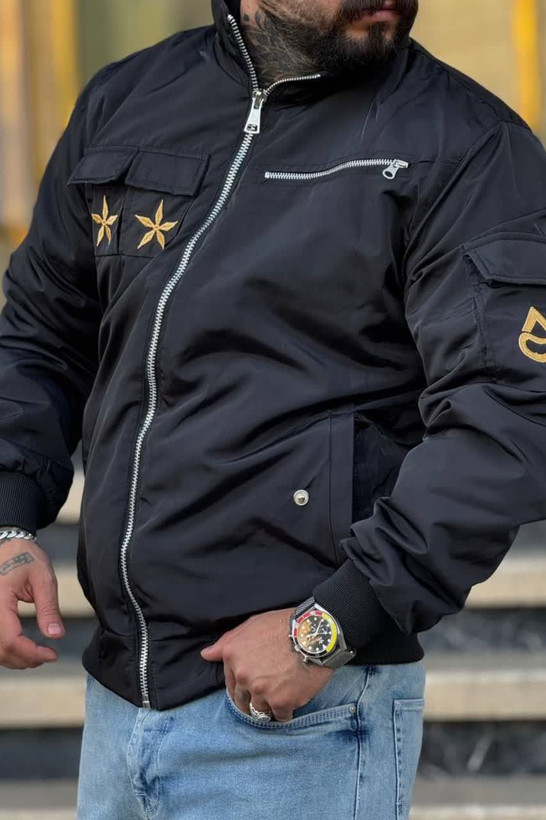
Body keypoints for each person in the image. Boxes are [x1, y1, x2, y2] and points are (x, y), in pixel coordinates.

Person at [0, 0, 545, 816]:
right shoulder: (127, 101)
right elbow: (42, 334)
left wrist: (330, 625)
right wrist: (7, 520)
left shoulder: (466, 143)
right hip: (118, 705)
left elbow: (512, 408)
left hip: (302, 713)